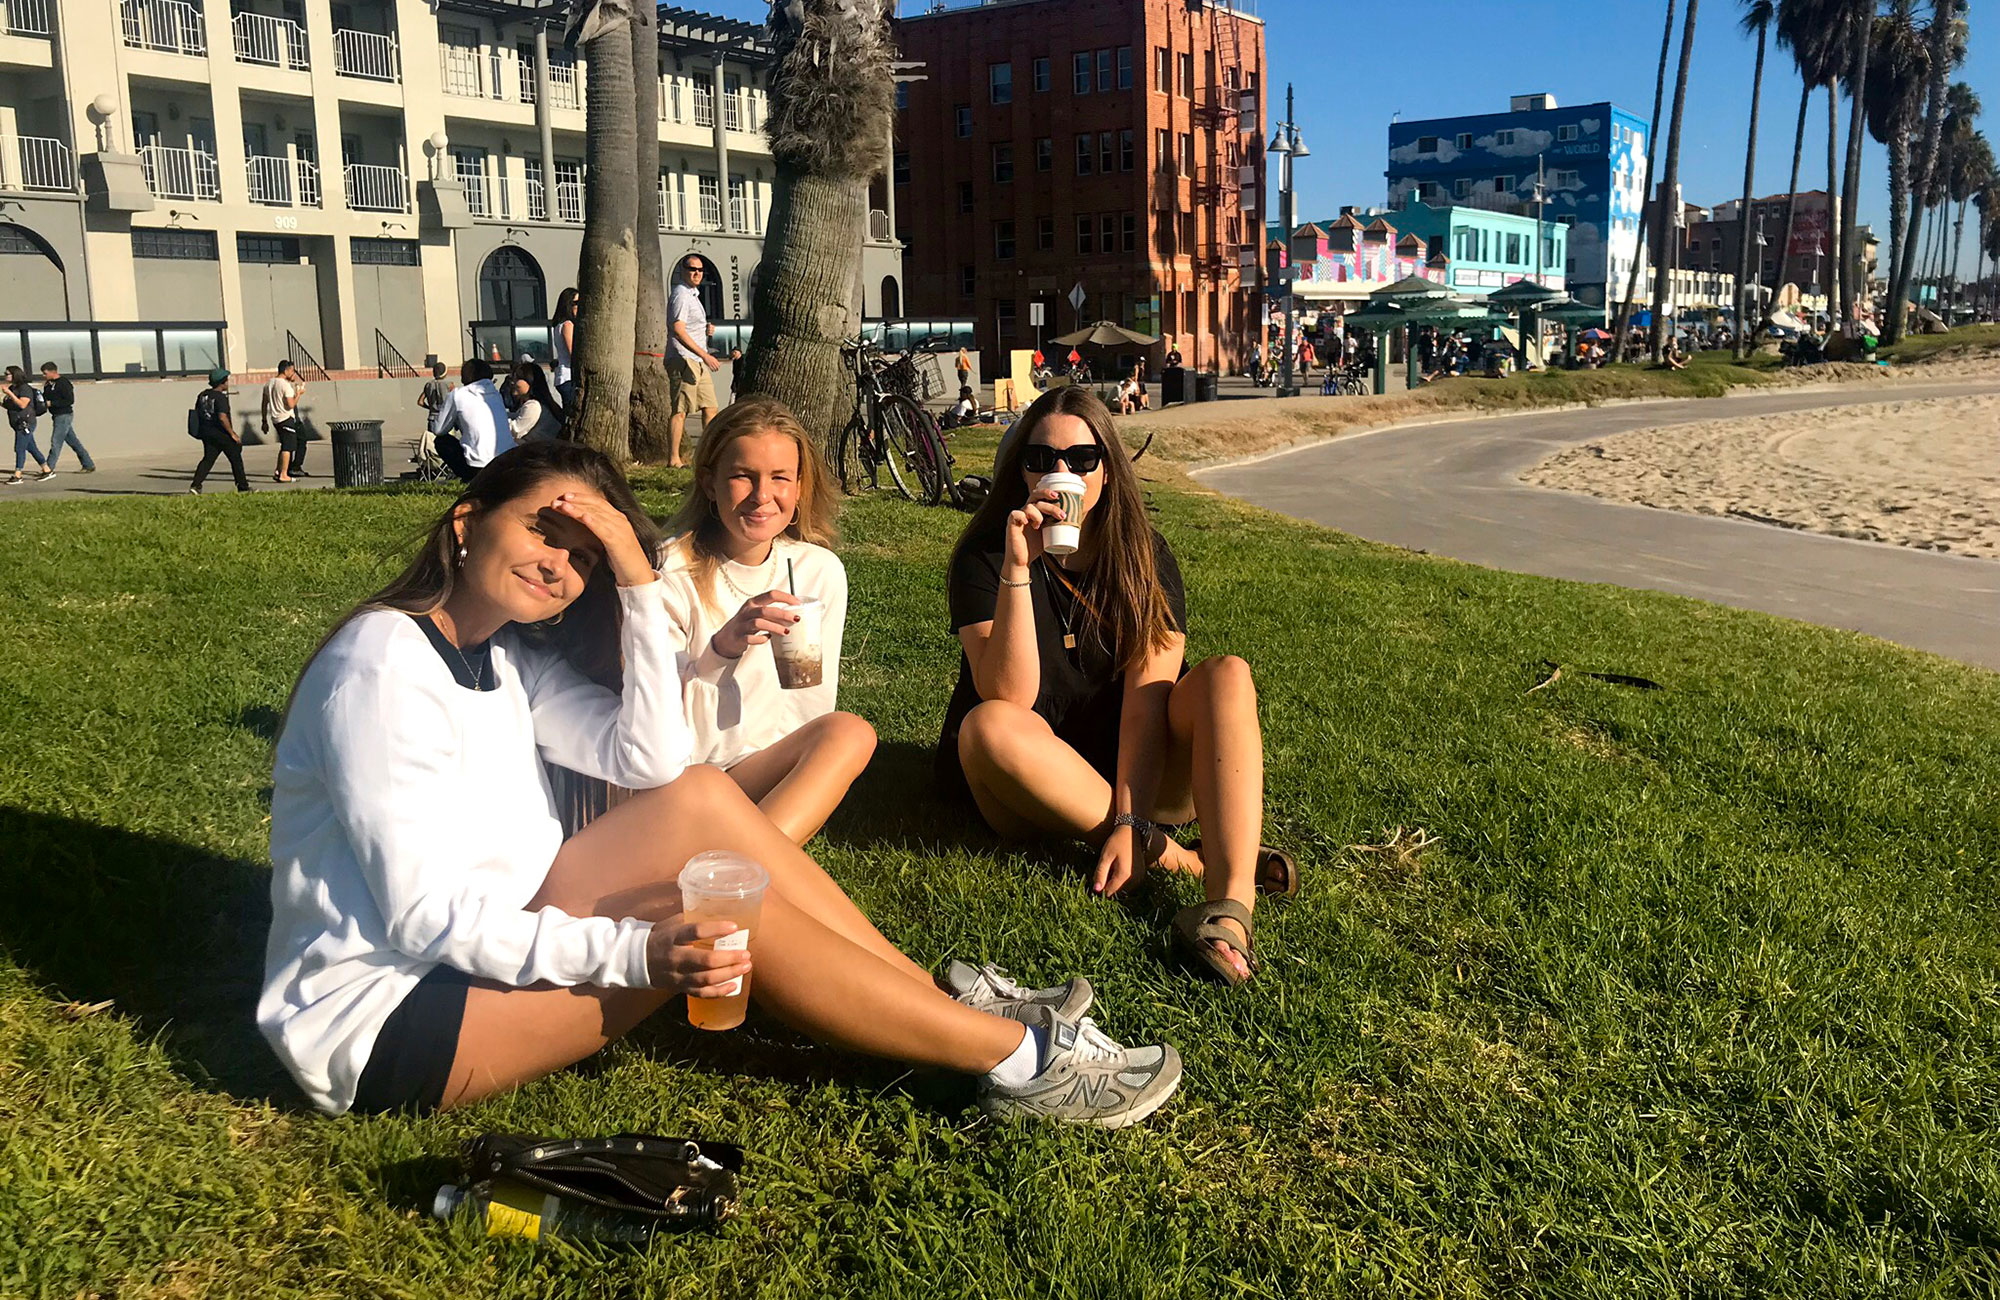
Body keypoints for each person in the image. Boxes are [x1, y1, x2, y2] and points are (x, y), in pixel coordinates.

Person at [260, 439, 1182, 1124]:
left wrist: (633, 578)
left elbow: (655, 765)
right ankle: (1021, 1060)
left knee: (697, 802)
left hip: (502, 936)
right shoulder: (381, 666)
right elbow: (427, 922)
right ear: (467, 525)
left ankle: (949, 1010)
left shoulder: (506, 657)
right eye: (546, 529)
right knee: (727, 899)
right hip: (397, 1015)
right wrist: (638, 955)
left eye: (583, 553)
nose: (560, 562)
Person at [938, 387, 1298, 986]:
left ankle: (1231, 908)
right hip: (1029, 782)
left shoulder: (1144, 556)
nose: (1060, 473)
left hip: (1141, 767)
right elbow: (1009, 692)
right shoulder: (985, 555)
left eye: (1081, 459)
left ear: (1108, 469)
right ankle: (1181, 860)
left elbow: (1148, 702)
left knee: (1226, 675)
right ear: (1017, 468)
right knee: (990, 724)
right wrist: (1019, 571)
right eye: (1040, 458)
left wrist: (1132, 819)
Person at [657, 398, 875, 845]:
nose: (762, 496)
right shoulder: (669, 572)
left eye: (780, 478)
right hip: (686, 778)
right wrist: (721, 650)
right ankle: (761, 860)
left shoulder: (817, 571)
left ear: (799, 487)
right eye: (743, 476)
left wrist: (794, 780)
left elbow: (810, 704)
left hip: (760, 773)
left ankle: (744, 861)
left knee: (850, 733)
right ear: (710, 484)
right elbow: (659, 729)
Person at [668, 261, 739, 469]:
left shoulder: (694, 296)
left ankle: (706, 457)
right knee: (680, 410)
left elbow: (688, 327)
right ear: (683, 271)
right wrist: (704, 355)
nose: (697, 273)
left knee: (710, 408)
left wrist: (704, 330)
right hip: (684, 359)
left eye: (700, 270)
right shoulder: (681, 294)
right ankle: (673, 459)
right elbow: (678, 329)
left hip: (698, 360)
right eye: (692, 269)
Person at [431, 358, 514, 482]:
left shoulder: (458, 395)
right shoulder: (496, 395)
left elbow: (438, 430)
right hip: (506, 461)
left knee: (442, 442)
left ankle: (468, 478)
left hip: (477, 466)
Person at [189, 368, 251, 494]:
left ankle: (196, 485)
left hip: (206, 432)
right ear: (222, 382)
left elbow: (198, 412)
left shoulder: (202, 395)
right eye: (226, 381)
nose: (228, 383)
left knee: (208, 459)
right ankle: (242, 487)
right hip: (221, 433)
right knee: (235, 458)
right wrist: (232, 433)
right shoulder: (220, 398)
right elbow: (222, 417)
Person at [39, 362, 94, 475]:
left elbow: (69, 400)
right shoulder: (48, 384)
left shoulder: (63, 383)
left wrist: (52, 403)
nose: (43, 376)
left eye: (45, 373)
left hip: (64, 415)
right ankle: (88, 464)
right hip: (55, 415)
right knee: (73, 442)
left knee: (56, 442)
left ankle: (49, 467)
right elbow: (45, 397)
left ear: (53, 371)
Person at [4, 365, 52, 485]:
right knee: (31, 447)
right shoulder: (13, 388)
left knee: (19, 448)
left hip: (25, 422)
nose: (5, 376)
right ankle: (47, 469)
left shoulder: (24, 388)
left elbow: (22, 405)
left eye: (7, 374)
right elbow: (11, 405)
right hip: (16, 423)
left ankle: (18, 474)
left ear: (15, 375)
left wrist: (9, 393)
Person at [265, 360, 308, 482]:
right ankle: (284, 474)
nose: (293, 373)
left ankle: (278, 471)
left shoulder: (270, 383)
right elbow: (291, 405)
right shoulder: (285, 386)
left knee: (285, 445)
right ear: (286, 370)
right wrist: (299, 393)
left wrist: (264, 419)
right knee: (288, 447)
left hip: (275, 419)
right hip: (286, 418)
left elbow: (264, 402)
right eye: (292, 370)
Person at [505, 360, 563, 443]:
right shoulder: (540, 403)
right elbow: (516, 416)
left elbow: (516, 430)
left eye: (517, 378)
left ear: (530, 380)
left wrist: (497, 420)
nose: (512, 382)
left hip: (538, 452)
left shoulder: (533, 405)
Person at [550, 288, 579, 409]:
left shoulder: (559, 325)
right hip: (568, 376)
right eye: (576, 303)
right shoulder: (567, 325)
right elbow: (573, 352)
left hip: (563, 376)